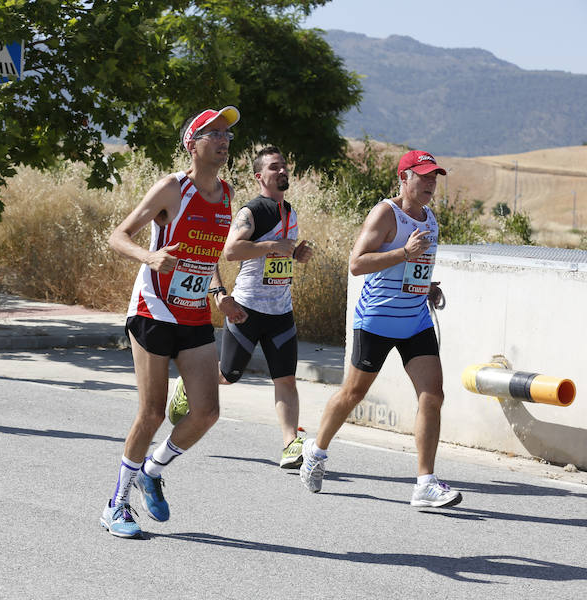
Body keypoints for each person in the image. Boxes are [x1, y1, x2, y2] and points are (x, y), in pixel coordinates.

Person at [101, 107, 249, 538]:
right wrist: (150, 256)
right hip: (153, 308)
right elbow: (118, 235)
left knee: (207, 410)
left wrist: (219, 294)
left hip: (194, 312)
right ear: (192, 143)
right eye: (213, 133)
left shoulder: (226, 195)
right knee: (150, 413)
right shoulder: (172, 188)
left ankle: (152, 469)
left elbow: (208, 257)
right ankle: (116, 505)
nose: (223, 141)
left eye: (227, 135)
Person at [298, 149, 462, 508]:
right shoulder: (386, 213)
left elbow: (414, 267)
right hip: (377, 319)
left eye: (435, 177)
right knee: (352, 394)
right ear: (404, 178)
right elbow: (357, 263)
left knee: (433, 394)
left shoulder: (431, 219)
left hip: (415, 319)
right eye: (423, 176)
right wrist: (404, 252)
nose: (431, 183)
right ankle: (316, 450)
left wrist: (427, 286)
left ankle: (425, 483)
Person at [167, 146, 315, 469]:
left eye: (284, 165)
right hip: (247, 309)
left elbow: (276, 256)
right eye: (275, 167)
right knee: (227, 375)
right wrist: (273, 245)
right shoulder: (252, 212)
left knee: (286, 379)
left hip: (281, 311)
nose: (282, 171)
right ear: (260, 176)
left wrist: (296, 254)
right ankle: (185, 385)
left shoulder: (290, 212)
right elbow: (231, 251)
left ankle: (291, 444)